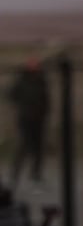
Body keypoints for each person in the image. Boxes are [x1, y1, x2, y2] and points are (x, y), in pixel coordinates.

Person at [7, 57, 49, 189]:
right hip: (25, 118)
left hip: (39, 118)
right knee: (24, 145)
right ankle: (15, 173)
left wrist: (44, 111)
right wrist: (23, 105)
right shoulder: (22, 80)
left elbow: (45, 98)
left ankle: (35, 175)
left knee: (38, 147)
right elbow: (11, 94)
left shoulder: (41, 80)